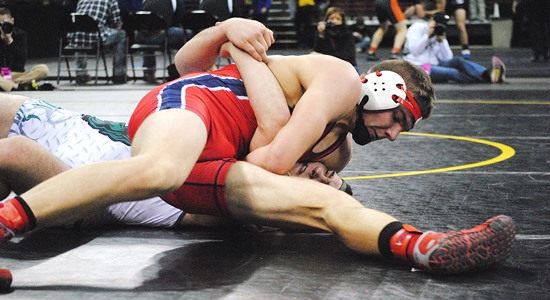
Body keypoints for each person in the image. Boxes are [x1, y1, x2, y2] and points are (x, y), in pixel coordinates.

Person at [0, 18, 514, 280]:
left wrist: (297, 185)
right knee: (158, 168)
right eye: (398, 119)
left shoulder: (338, 151)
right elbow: (265, 152)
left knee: (336, 203)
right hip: (197, 107)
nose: (394, 135)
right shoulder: (337, 79)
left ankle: (424, 247)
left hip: (220, 160)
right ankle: (8, 220)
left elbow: (268, 159)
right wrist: (229, 37)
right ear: (379, 89)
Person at [0, 93, 349, 228]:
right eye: (327, 171)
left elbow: (283, 213)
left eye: (321, 182)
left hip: (75, 177)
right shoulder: (259, 142)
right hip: (71, 126)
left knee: (13, 152)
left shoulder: (242, 195)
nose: (320, 170)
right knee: (8, 104)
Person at [404, 12, 506, 83]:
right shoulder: (417, 27)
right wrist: (427, 35)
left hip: (435, 64)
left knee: (458, 61)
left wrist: (441, 40)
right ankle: (488, 79)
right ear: (432, 21)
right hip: (419, 67)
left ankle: (486, 74)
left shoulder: (439, 34)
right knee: (452, 72)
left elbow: (448, 58)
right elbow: (415, 50)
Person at [70, 0, 128, 84]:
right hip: (96, 39)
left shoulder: (81, 1)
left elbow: (80, 20)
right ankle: (119, 74)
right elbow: (116, 24)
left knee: (81, 34)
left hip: (75, 39)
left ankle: (81, 73)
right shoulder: (111, 1)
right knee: (122, 34)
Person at [133, 0, 187, 83]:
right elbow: (181, 18)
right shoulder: (175, 1)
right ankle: (181, 70)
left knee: (148, 31)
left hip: (140, 37)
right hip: (160, 36)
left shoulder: (145, 1)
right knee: (187, 33)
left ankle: (148, 71)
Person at [0, 7, 49, 92]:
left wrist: (9, 41)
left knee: (43, 69)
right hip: (1, 74)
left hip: (17, 74)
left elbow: (22, 57)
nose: (2, 27)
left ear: (12, 21)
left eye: (5, 23)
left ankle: (10, 85)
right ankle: (18, 86)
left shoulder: (20, 34)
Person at [313, 7, 358, 71]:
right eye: (331, 18)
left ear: (342, 21)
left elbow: (347, 56)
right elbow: (317, 51)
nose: (334, 21)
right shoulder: (322, 33)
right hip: (327, 65)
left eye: (338, 19)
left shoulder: (347, 34)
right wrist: (321, 35)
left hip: (346, 66)